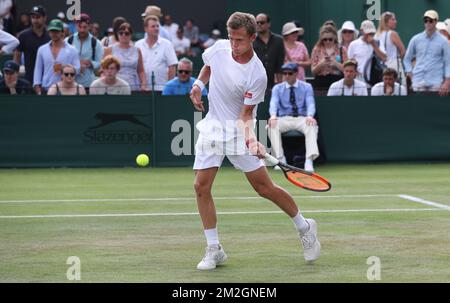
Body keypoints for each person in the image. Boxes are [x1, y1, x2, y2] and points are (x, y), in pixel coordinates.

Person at [189, 12, 320, 271]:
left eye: (239, 40)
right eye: (231, 38)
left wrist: (252, 140)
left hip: (239, 131)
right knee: (201, 186)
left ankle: (304, 226)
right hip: (212, 128)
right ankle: (214, 248)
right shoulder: (219, 48)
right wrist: (197, 85)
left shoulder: (257, 74)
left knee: (264, 188)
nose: (234, 45)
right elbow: (208, 67)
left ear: (252, 38)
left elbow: (246, 115)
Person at [267, 62, 319, 172]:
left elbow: (310, 103)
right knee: (270, 126)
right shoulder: (277, 88)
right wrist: (273, 116)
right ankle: (281, 160)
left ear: (296, 74)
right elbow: (273, 103)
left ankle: (309, 160)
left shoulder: (307, 87)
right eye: (284, 73)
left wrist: (310, 116)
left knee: (312, 125)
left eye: (290, 73)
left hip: (302, 119)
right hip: (284, 119)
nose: (286, 76)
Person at [404, 10, 450, 96]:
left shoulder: (443, 41)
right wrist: (410, 73)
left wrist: (447, 82)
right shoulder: (416, 39)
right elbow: (407, 58)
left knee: (434, 108)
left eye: (430, 20)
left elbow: (448, 63)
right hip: (418, 83)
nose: (428, 23)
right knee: (418, 108)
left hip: (435, 84)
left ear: (436, 21)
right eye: (426, 20)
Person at [33, 19, 80, 95]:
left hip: (65, 90)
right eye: (52, 31)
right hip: (46, 88)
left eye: (56, 31)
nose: (54, 34)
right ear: (49, 32)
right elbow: (38, 69)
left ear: (62, 32)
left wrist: (65, 68)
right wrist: (37, 87)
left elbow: (77, 69)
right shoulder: (42, 49)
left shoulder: (72, 50)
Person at [135, 15, 178, 92]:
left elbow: (172, 67)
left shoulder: (167, 44)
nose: (156, 28)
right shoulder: (138, 45)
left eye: (157, 26)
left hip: (162, 90)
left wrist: (168, 88)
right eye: (153, 26)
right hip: (142, 90)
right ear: (146, 29)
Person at [104, 22, 148, 91]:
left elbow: (141, 71)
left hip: (133, 87)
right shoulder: (109, 49)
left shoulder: (137, 50)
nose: (123, 35)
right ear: (117, 34)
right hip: (115, 87)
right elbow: (104, 69)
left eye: (126, 33)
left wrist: (144, 85)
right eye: (121, 33)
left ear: (131, 35)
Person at [65, 13, 104, 91]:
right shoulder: (68, 40)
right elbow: (62, 60)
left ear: (89, 26)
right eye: (80, 27)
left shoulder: (96, 43)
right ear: (76, 26)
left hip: (89, 84)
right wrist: (75, 65)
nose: (82, 30)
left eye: (85, 27)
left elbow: (101, 63)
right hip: (70, 83)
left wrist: (90, 63)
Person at [14, 5, 50, 84]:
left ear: (44, 18)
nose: (35, 20)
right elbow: (17, 57)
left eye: (38, 17)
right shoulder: (23, 35)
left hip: (47, 79)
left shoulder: (50, 35)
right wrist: (15, 73)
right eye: (33, 17)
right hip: (29, 78)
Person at [347, 20, 387, 85]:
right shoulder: (354, 44)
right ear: (361, 31)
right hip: (359, 79)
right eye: (368, 33)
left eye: (371, 33)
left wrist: (374, 44)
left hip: (375, 79)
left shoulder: (378, 42)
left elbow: (384, 58)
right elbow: (350, 61)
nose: (370, 35)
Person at [253, 13, 285, 92]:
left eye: (262, 22)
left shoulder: (279, 40)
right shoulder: (251, 41)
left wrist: (279, 85)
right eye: (257, 23)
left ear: (268, 24)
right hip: (255, 83)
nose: (259, 24)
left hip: (272, 83)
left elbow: (280, 64)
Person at [311, 25, 347, 91]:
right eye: (325, 39)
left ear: (335, 38)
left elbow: (347, 70)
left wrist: (335, 63)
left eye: (330, 39)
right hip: (321, 81)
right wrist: (321, 64)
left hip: (337, 80)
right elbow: (313, 72)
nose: (327, 41)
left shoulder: (341, 49)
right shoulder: (317, 49)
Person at [376, 12, 406, 84]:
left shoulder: (376, 35)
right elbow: (403, 51)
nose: (395, 21)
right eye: (393, 19)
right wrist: (398, 60)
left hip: (380, 67)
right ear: (386, 22)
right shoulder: (392, 34)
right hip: (393, 66)